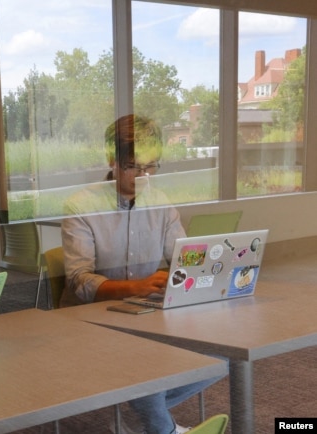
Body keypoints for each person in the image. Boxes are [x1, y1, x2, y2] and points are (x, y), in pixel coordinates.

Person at [60, 115, 222, 434]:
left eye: (152, 167)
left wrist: (202, 273)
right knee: (142, 370)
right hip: (90, 321)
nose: (145, 176)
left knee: (224, 356)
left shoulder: (160, 203)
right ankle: (163, 427)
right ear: (113, 161)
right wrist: (138, 286)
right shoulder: (82, 205)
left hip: (146, 314)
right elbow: (79, 281)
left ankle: (138, 413)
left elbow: (183, 259)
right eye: (135, 166)